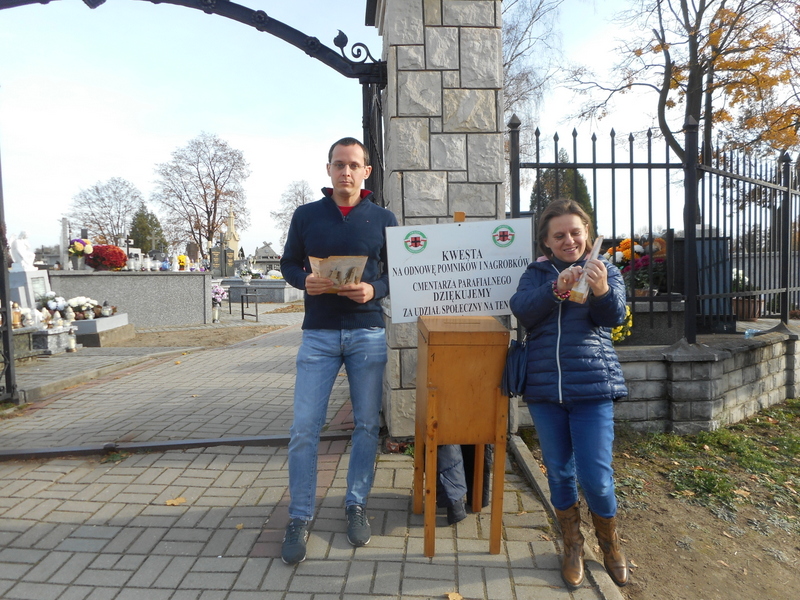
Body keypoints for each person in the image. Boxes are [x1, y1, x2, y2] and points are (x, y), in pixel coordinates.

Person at [279, 137, 398, 565]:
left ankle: (356, 504)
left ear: (367, 172)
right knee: (304, 428)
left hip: (367, 333)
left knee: (366, 425)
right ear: (328, 170)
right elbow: (289, 262)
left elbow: (398, 274)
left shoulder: (383, 218)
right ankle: (299, 514)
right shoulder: (307, 215)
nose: (345, 172)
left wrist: (374, 288)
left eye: (354, 165)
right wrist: (301, 281)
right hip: (319, 335)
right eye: (338, 165)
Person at [510, 198, 630, 589]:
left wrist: (599, 290)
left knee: (596, 477)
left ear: (587, 235)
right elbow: (522, 310)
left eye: (575, 232)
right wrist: (554, 289)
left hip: (592, 386)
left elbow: (611, 317)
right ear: (546, 242)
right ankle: (573, 544)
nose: (569, 240)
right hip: (546, 390)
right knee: (560, 473)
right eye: (559, 235)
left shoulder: (606, 269)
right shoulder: (537, 273)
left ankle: (610, 544)